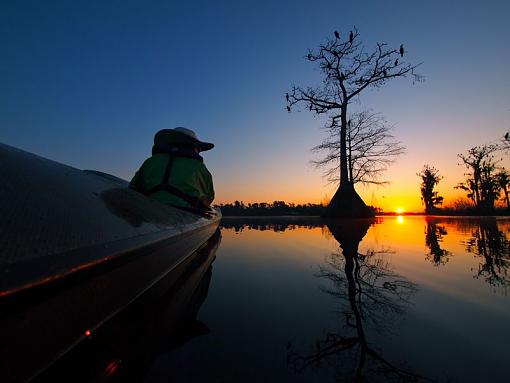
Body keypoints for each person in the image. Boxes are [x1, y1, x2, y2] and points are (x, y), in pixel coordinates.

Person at [129, 127, 215, 211]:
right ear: (192, 146)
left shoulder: (150, 161)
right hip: (184, 212)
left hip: (147, 209)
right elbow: (208, 198)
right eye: (198, 148)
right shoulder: (199, 166)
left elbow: (133, 188)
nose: (199, 151)